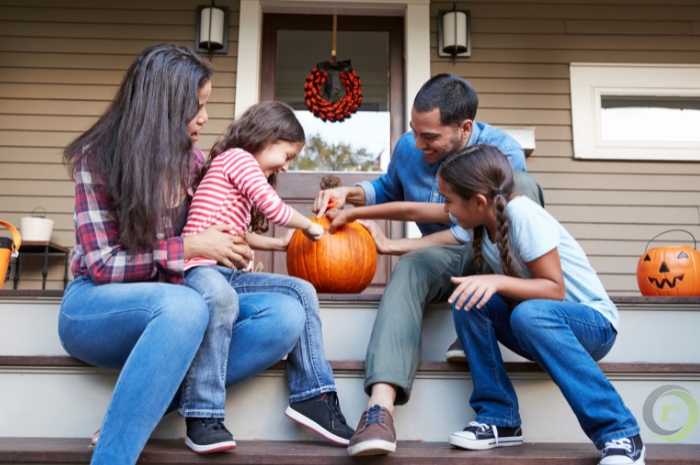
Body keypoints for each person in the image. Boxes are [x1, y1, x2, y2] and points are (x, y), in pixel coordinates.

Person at [59, 45, 300, 465]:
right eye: (197, 107)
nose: (205, 118)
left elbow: (211, 230)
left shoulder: (195, 162)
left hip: (179, 307)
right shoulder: (97, 159)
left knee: (285, 315)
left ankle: (146, 409)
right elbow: (102, 266)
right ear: (163, 107)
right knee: (185, 305)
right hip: (97, 309)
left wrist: (230, 244)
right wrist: (188, 247)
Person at [313, 73, 544, 456]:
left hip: (490, 253)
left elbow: (470, 229)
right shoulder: (410, 146)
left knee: (524, 184)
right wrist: (349, 194)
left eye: (430, 138)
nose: (418, 145)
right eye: (414, 133)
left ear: (465, 128)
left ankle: (487, 314)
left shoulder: (502, 151)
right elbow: (389, 189)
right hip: (443, 254)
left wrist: (395, 244)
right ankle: (379, 410)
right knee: (411, 266)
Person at [438, 144, 644, 465]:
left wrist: (496, 281)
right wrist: (375, 229)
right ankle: (499, 418)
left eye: (449, 201)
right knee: (468, 299)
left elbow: (554, 290)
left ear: (478, 202)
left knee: (528, 312)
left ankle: (619, 432)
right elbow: (415, 212)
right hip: (537, 326)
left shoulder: (523, 214)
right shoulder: (482, 223)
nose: (446, 210)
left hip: (593, 326)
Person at [179, 100, 353, 452]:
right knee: (220, 298)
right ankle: (203, 415)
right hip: (199, 268)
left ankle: (313, 395)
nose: (286, 167)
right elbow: (271, 206)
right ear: (269, 137)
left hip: (230, 272)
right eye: (287, 156)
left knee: (302, 291)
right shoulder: (238, 158)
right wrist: (308, 226)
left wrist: (280, 242)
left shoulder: (238, 170)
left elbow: (245, 234)